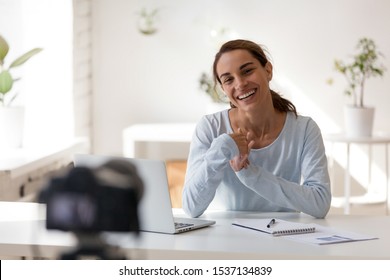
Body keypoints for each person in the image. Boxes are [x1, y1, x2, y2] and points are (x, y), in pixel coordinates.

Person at [182, 39, 331, 219]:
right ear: (223, 89)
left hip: (285, 239)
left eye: (247, 71)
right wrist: (222, 147)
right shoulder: (210, 127)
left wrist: (249, 174)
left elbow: (320, 203)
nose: (240, 84)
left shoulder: (304, 129)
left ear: (268, 70)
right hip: (225, 239)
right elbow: (191, 207)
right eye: (229, 79)